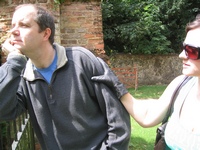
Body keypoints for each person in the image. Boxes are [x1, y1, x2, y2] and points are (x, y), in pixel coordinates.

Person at [0, 4, 131, 150]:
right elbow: (4, 110)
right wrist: (13, 62)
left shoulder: (81, 60)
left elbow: (118, 120)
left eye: (23, 25)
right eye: (12, 25)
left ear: (45, 34)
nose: (13, 31)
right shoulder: (23, 75)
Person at [92, 15, 200, 149]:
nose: (182, 55)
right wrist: (117, 86)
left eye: (192, 51)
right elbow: (148, 116)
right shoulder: (182, 84)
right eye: (184, 47)